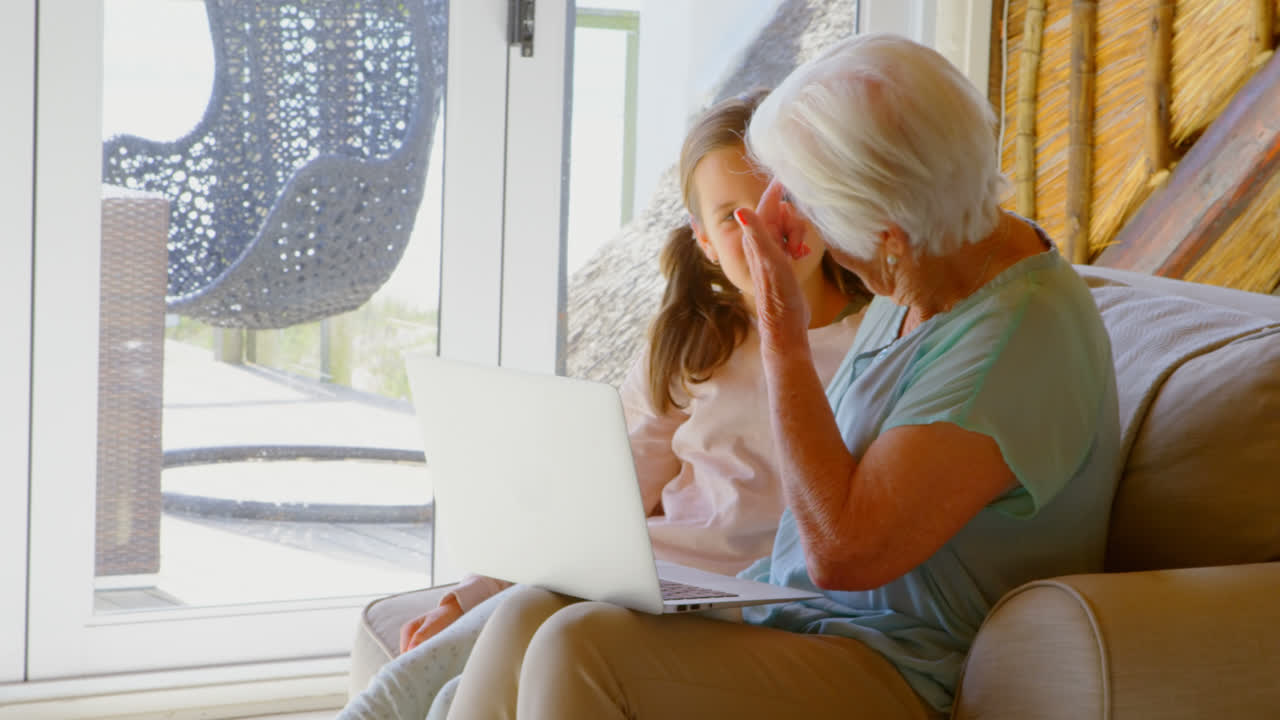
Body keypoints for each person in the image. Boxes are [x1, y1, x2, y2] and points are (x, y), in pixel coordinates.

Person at [442, 33, 1123, 720]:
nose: (800, 229)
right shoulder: (931, 274)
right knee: (534, 609)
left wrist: (781, 329)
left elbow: (842, 554)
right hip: (794, 622)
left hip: (900, 669)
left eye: (814, 209)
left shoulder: (1016, 339)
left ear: (890, 231)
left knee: (578, 645)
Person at [339, 89, 872, 720]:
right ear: (702, 241)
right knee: (493, 641)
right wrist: (475, 589)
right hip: (653, 583)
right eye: (732, 217)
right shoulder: (697, 342)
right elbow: (594, 502)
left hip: (750, 607)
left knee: (496, 666)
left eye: (783, 197)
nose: (764, 228)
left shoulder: (877, 341)